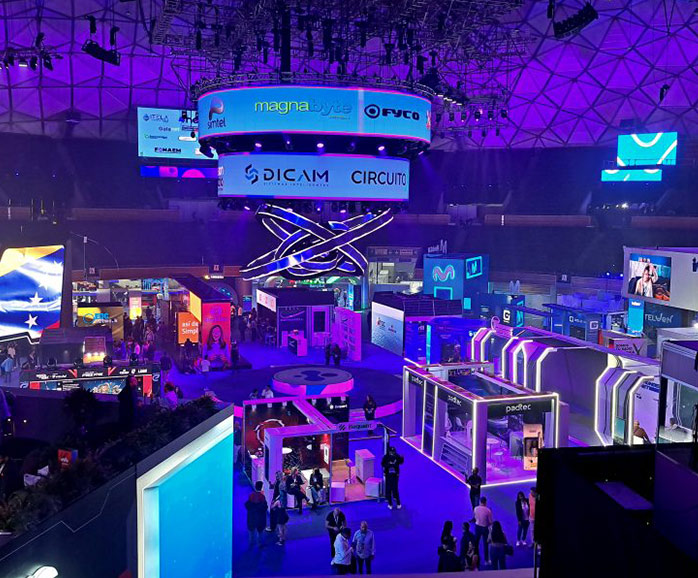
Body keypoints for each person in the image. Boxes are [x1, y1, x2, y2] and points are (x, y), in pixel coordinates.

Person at [245, 481, 268, 547]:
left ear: (255, 486)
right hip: (260, 517)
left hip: (252, 516)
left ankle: (251, 543)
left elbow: (248, 505)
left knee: (251, 531)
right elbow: (264, 507)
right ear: (261, 487)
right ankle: (259, 543)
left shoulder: (251, 495)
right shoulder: (262, 497)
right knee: (260, 531)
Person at [381, 445, 404, 509]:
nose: (392, 453)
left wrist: (402, 458)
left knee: (395, 489)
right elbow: (382, 464)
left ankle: (398, 503)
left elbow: (401, 462)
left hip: (395, 475)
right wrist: (389, 464)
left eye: (393, 452)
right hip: (388, 475)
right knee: (388, 489)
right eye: (391, 452)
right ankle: (390, 503)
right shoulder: (386, 457)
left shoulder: (397, 456)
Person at [473, 496, 493, 564]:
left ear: (480, 502)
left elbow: (475, 517)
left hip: (477, 527)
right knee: (486, 544)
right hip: (485, 528)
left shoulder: (475, 508)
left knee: (476, 543)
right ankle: (486, 560)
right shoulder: (488, 510)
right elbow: (490, 522)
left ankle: (475, 559)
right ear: (485, 502)